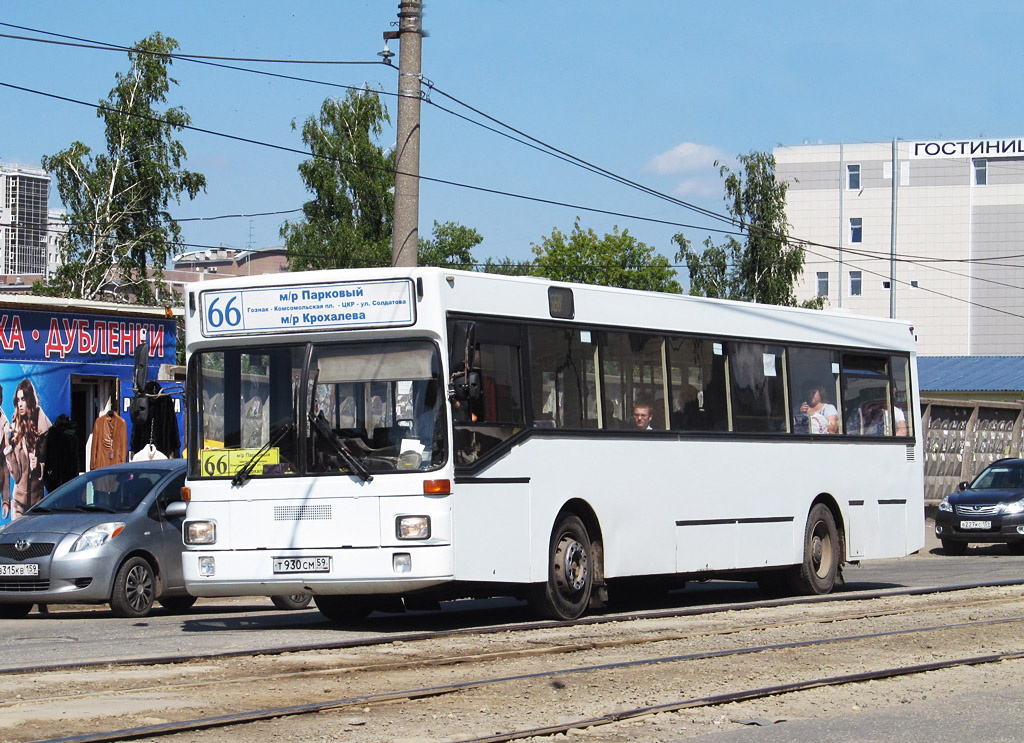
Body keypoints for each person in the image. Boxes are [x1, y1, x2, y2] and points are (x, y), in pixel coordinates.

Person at [3, 378, 51, 518]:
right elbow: (17, 475)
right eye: (18, 400)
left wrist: (38, 467)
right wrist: (8, 445)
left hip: (38, 502)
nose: (20, 404)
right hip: (18, 502)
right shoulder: (16, 430)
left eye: (23, 399)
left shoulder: (45, 430)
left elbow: (52, 466)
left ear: (30, 399)